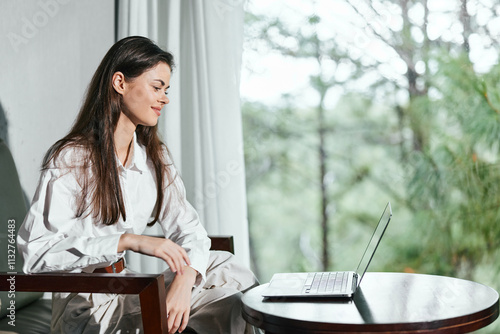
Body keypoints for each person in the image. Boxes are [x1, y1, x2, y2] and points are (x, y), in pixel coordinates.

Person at [17, 36, 260, 334]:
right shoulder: (72, 158)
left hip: (131, 290)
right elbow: (36, 256)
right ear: (120, 83)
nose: (165, 98)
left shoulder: (154, 158)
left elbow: (190, 229)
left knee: (225, 269)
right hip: (85, 307)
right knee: (224, 304)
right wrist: (127, 241)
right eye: (157, 87)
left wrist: (185, 278)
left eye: (166, 90)